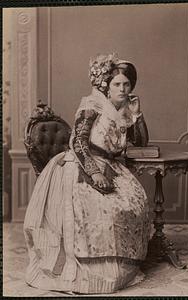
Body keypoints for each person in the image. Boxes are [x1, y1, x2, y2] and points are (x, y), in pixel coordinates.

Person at [23, 53, 151, 294]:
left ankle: (123, 262)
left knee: (135, 203)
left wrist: (137, 114)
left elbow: (141, 142)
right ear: (106, 86)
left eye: (126, 84)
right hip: (82, 164)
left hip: (112, 166)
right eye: (117, 84)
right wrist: (94, 173)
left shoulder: (125, 110)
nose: (123, 89)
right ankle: (95, 270)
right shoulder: (91, 106)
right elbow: (78, 142)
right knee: (103, 210)